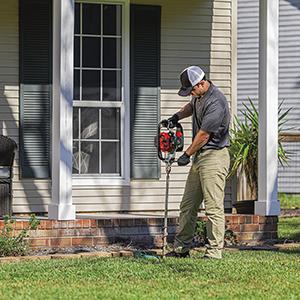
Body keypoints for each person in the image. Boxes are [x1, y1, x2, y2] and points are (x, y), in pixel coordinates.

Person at [166, 66, 230, 259]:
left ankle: (213, 252)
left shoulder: (216, 101)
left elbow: (204, 135)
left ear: (201, 83)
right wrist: (175, 117)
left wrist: (186, 154)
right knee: (188, 205)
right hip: (200, 157)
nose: (190, 94)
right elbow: (191, 107)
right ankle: (181, 249)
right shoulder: (198, 96)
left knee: (213, 207)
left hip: (214, 157)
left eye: (191, 90)